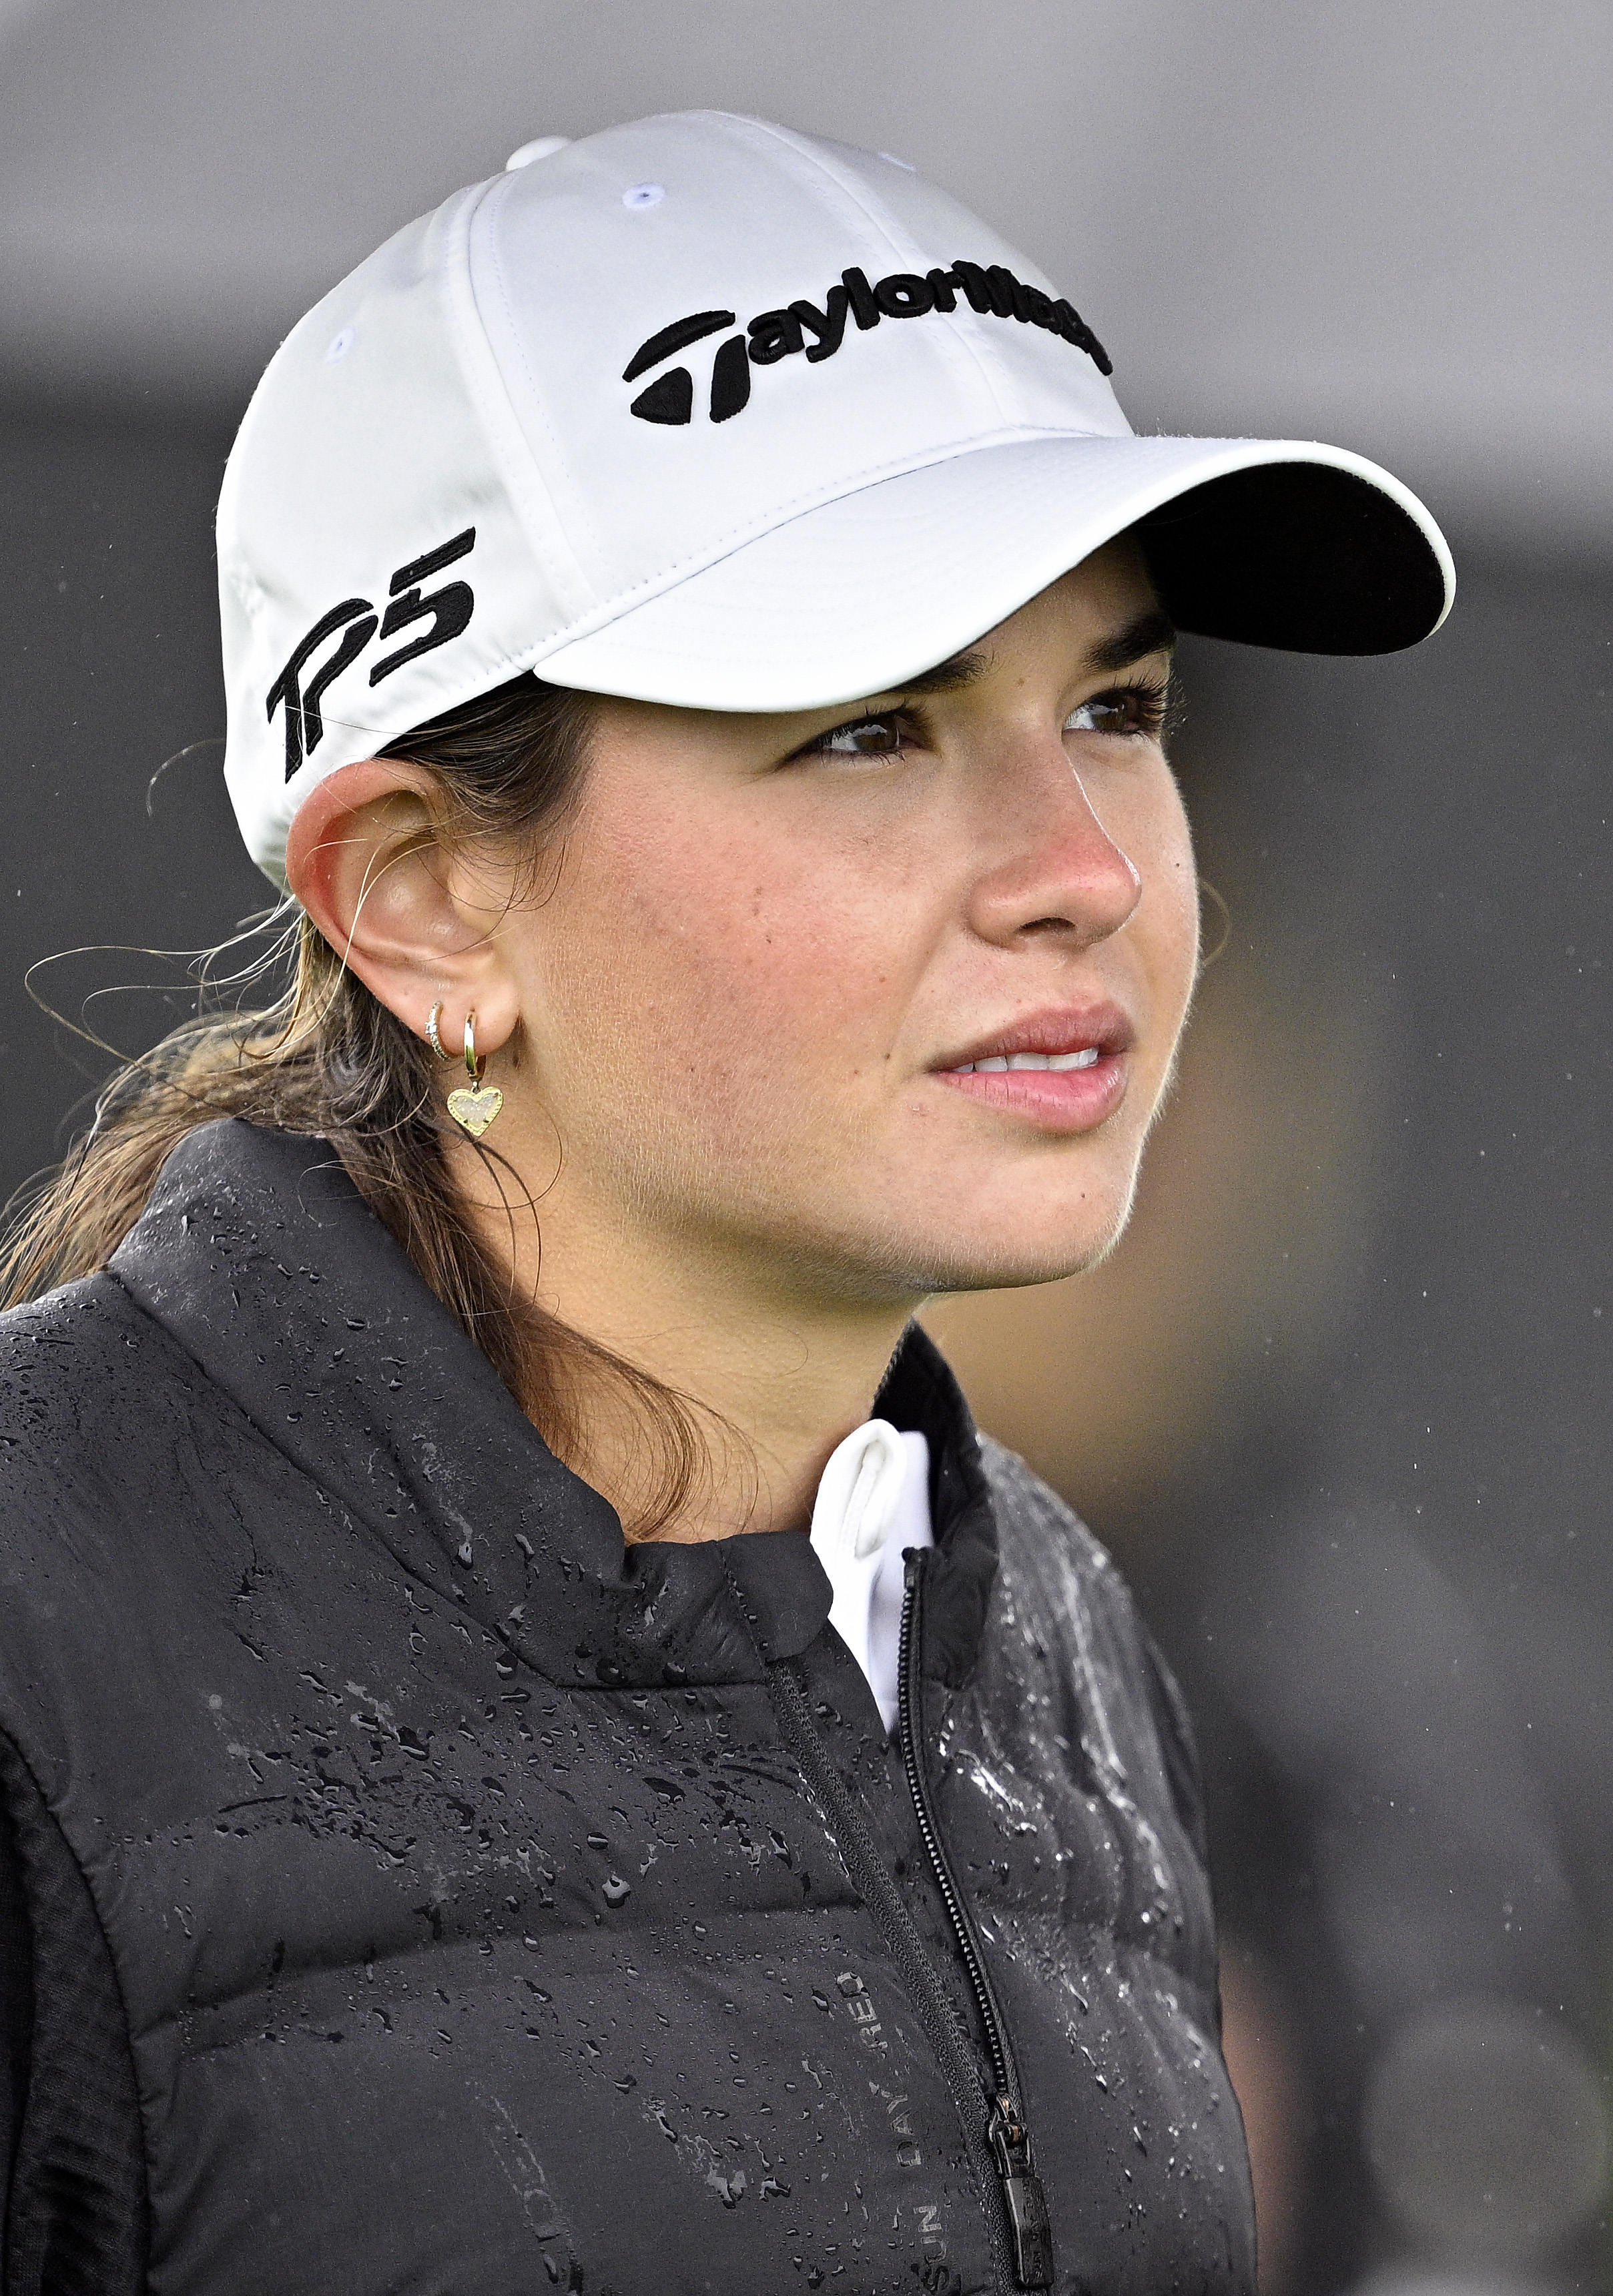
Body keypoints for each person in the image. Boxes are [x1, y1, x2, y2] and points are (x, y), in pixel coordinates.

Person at [0, 110, 1451, 2296]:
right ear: (419, 900)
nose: (1085, 868)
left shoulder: (1046, 1628)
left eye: (1119, 702)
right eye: (869, 728)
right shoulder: (40, 1636)